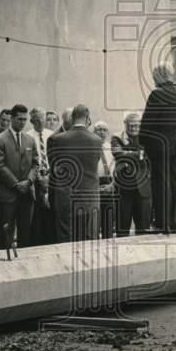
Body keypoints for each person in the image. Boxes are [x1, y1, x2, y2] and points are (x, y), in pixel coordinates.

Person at [139, 62, 176, 234]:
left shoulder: (157, 94)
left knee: (160, 185)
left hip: (159, 146)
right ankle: (173, 223)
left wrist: (142, 142)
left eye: (154, 76)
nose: (153, 79)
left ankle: (161, 223)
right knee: (173, 185)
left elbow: (147, 123)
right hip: (175, 145)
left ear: (159, 75)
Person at [48, 104, 102, 243]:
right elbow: (94, 164)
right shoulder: (96, 140)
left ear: (72, 118)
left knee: (66, 239)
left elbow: (54, 168)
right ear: (87, 118)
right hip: (90, 198)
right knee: (89, 240)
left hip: (66, 197)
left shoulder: (57, 139)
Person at [0, 104, 40, 250]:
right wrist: (16, 184)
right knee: (5, 234)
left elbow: (35, 163)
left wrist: (29, 181)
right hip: (8, 194)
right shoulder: (0, 139)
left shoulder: (29, 140)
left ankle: (24, 260)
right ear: (12, 118)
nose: (22, 122)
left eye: (25, 119)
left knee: (25, 234)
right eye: (19, 119)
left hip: (26, 194)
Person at [110, 111, 152, 236]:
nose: (133, 128)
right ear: (125, 124)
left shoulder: (146, 138)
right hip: (124, 189)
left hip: (143, 188)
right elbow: (118, 155)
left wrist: (128, 154)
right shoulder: (117, 137)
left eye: (136, 125)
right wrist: (139, 154)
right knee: (122, 230)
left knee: (143, 230)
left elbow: (150, 156)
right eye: (130, 125)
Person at [26, 107, 54, 247]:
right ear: (31, 121)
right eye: (36, 120)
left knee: (51, 213)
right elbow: (29, 161)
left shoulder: (51, 135)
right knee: (37, 215)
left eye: (42, 119)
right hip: (36, 179)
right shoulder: (28, 136)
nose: (40, 122)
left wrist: (50, 176)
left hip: (51, 177)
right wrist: (38, 178)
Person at [93, 121, 117, 239]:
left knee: (108, 221)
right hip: (95, 184)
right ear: (94, 132)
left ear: (107, 133)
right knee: (95, 222)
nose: (102, 132)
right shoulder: (90, 147)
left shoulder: (110, 147)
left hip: (109, 183)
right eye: (99, 129)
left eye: (104, 130)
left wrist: (112, 184)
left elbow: (116, 167)